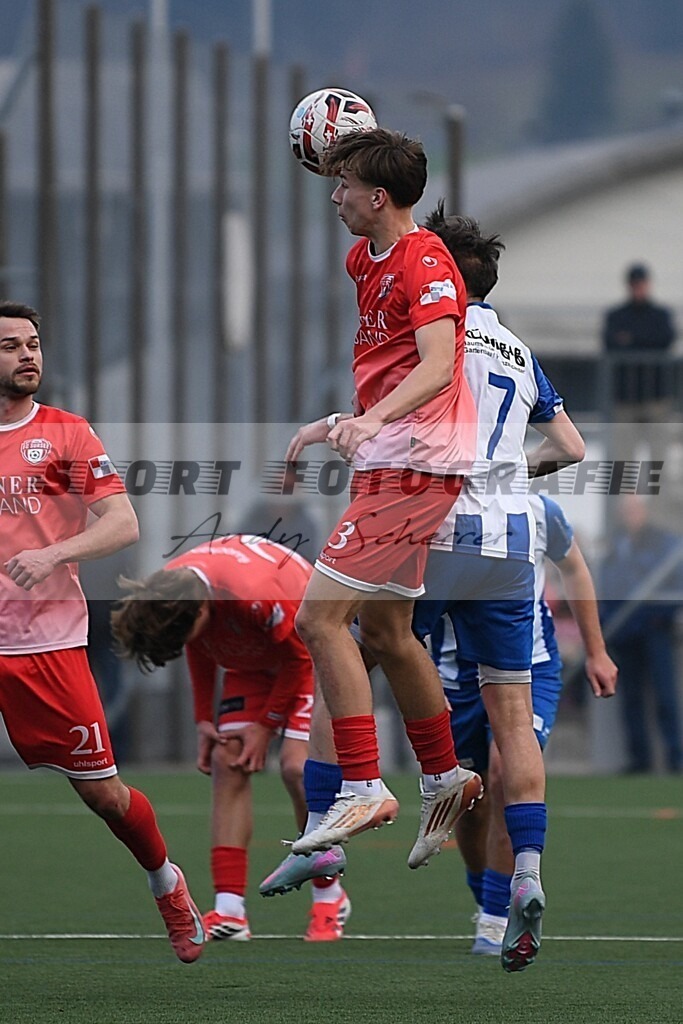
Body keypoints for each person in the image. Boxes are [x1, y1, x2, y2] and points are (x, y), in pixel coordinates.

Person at [263, 211, 585, 974]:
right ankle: (527, 874)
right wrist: (507, 478)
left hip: (433, 520)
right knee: (508, 716)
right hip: (512, 540)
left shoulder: (424, 329)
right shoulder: (517, 348)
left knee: (350, 645)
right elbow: (569, 446)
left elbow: (408, 412)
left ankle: (332, 832)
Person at [285, 129, 483, 867]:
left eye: (342, 186)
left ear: (377, 197)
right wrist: (346, 419)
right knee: (389, 635)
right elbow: (388, 363)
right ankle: (445, 774)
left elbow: (436, 366)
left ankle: (363, 784)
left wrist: (369, 421)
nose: (333, 196)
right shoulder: (359, 259)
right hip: (389, 462)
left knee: (318, 619)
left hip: (416, 468)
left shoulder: (426, 258)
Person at [0, 300, 204, 963]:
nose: (28, 355)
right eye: (11, 347)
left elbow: (121, 523)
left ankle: (166, 883)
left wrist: (54, 554)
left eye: (33, 343)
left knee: (104, 795)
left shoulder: (66, 433)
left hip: (46, 645)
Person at [111, 534, 351, 942]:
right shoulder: (174, 593)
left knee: (297, 767)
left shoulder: (250, 594)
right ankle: (230, 910)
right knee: (228, 761)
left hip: (307, 655)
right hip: (250, 655)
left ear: (205, 609)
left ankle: (330, 896)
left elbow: (296, 659)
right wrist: (204, 720)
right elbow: (198, 646)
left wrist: (265, 727)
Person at [430, 493, 617, 957]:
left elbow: (573, 568)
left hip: (529, 669)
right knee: (470, 801)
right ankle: (489, 900)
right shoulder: (431, 507)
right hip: (455, 677)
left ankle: (497, 918)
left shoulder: (538, 510)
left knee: (502, 772)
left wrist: (595, 650)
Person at [600, 494, 683, 774]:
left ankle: (676, 759)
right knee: (630, 699)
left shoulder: (664, 543)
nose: (630, 515)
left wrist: (659, 617)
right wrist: (609, 622)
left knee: (665, 697)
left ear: (644, 512)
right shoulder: (616, 546)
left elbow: (674, 584)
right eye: (626, 510)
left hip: (655, 632)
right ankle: (640, 761)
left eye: (634, 510)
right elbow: (607, 584)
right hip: (625, 635)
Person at [602, 263, 677, 461]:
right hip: (625, 397)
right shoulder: (617, 315)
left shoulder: (660, 315)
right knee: (623, 458)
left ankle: (659, 494)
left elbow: (666, 340)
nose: (638, 288)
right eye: (635, 284)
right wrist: (645, 340)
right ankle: (626, 494)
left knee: (659, 458)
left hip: (656, 396)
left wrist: (631, 339)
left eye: (641, 283)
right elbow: (610, 343)